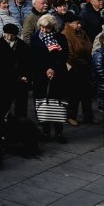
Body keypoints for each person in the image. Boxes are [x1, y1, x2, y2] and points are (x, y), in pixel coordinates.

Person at [30, 14, 70, 143]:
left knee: (57, 103)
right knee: (42, 103)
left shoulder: (60, 37)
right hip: (40, 74)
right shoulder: (35, 37)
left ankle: (59, 132)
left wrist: (53, 68)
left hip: (58, 73)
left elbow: (64, 55)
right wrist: (46, 69)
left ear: (53, 27)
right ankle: (45, 131)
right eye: (42, 27)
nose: (44, 30)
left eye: (47, 28)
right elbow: (34, 56)